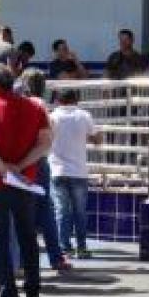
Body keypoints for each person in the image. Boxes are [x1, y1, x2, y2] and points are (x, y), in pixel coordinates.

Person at [0, 63, 52, 297]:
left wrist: (5, 169)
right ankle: (33, 293)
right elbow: (45, 144)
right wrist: (21, 166)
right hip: (25, 183)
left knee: (0, 239)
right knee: (28, 237)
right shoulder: (35, 108)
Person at [21, 69, 72, 273]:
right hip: (39, 160)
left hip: (22, 160)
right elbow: (49, 134)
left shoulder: (21, 103)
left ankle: (23, 259)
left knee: (24, 211)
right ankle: (55, 257)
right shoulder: (41, 105)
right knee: (44, 210)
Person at [50, 88, 101, 259]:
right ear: (76, 99)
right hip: (79, 171)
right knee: (80, 212)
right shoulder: (84, 116)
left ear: (58, 100)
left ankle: (64, 248)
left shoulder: (52, 117)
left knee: (61, 211)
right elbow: (97, 139)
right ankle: (82, 248)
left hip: (57, 170)